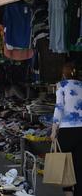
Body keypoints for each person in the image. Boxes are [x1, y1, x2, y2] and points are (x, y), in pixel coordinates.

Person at [51, 62, 82, 196]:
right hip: (81, 130)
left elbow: (59, 108)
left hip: (66, 131)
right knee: (80, 167)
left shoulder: (61, 86)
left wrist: (53, 130)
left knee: (66, 168)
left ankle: (68, 194)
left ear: (63, 74)